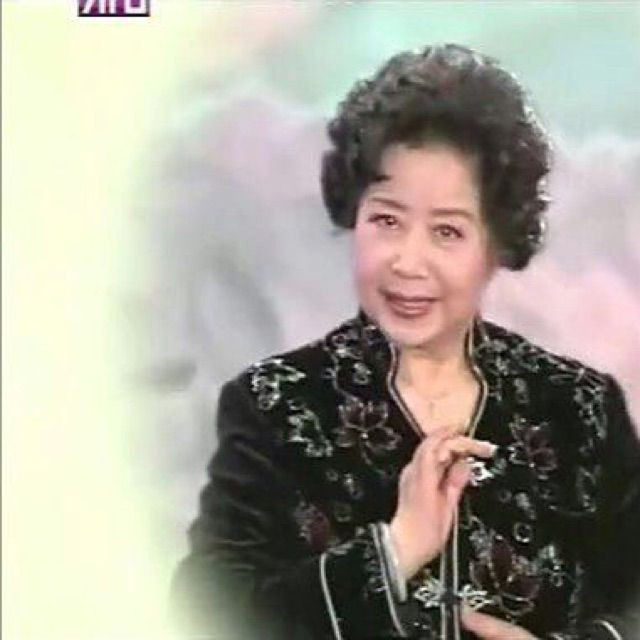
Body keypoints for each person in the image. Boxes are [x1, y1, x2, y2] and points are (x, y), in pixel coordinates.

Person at [170, 44, 640, 640]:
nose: (408, 262)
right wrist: (394, 550)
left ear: (497, 246)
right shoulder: (274, 405)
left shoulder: (579, 408)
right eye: (387, 221)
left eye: (447, 232)